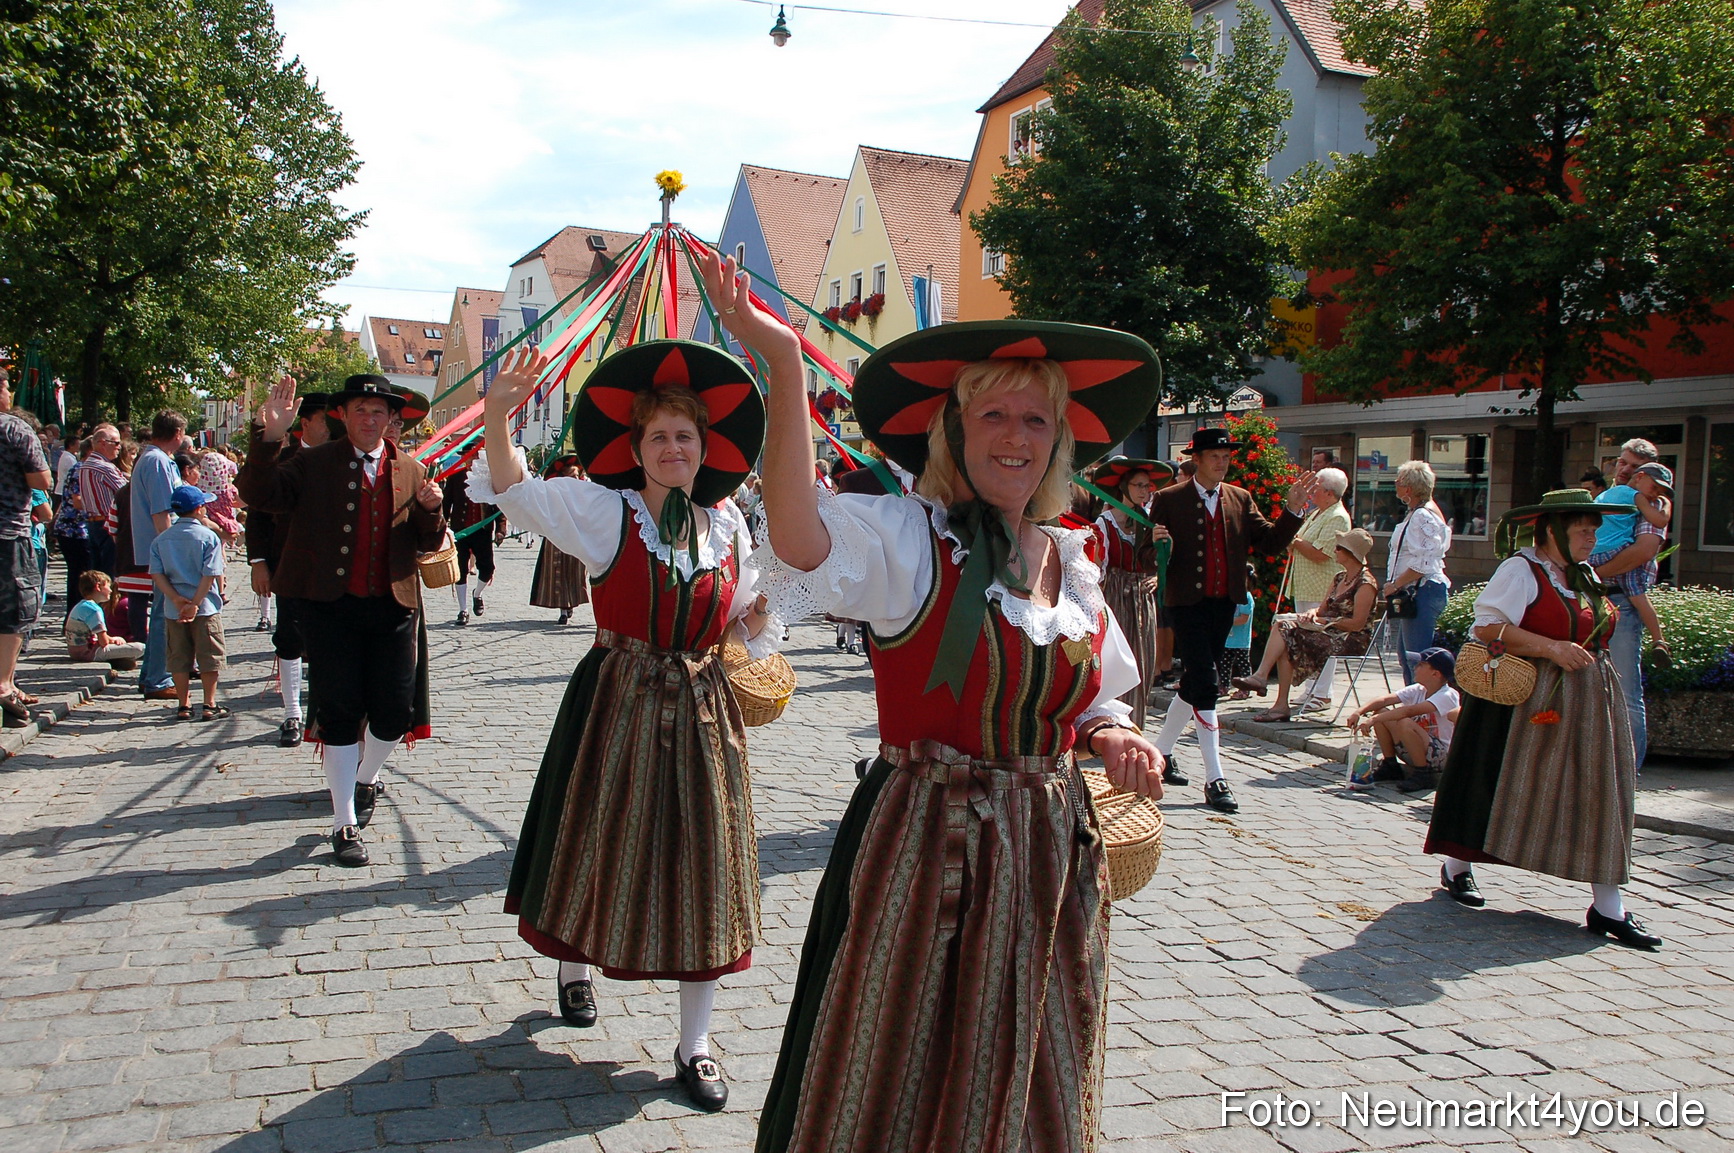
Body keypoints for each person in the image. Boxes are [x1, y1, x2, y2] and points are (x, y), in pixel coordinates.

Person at [699, 244, 1166, 1153]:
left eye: (1036, 418)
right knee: (893, 1060)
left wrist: (1113, 736)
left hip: (1048, 859)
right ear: (953, 431)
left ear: (1059, 440)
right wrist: (784, 360)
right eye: (993, 413)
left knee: (1035, 1057)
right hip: (925, 845)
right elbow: (796, 535)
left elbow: (1092, 697)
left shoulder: (1070, 561)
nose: (1015, 435)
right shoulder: (911, 538)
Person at [469, 338, 776, 1113]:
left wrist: (755, 619)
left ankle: (695, 1043)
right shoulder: (609, 511)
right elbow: (513, 489)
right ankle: (574, 968)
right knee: (595, 840)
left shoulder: (728, 524)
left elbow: (739, 620)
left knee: (708, 866)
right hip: (618, 699)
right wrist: (500, 413)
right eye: (659, 436)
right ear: (636, 448)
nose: (674, 449)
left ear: (705, 447)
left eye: (685, 435)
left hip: (704, 710)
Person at [1424, 488, 1659, 950]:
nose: (1591, 539)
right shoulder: (1521, 570)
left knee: (1599, 791)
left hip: (1590, 700)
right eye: (1582, 531)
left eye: (1593, 531)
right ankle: (1457, 864)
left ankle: (1608, 905)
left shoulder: (1584, 574)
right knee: (1495, 782)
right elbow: (1486, 629)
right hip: (1525, 699)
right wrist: (1550, 647)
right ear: (1551, 532)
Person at [238, 374, 446, 867]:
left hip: (393, 607)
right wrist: (270, 437)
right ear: (343, 416)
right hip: (329, 608)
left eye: (378, 412)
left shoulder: (412, 469)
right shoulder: (311, 462)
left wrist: (432, 512)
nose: (370, 420)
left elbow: (428, 542)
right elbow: (259, 493)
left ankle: (366, 777)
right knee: (339, 712)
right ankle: (343, 821)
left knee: (394, 713)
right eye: (360, 411)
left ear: (391, 419)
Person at [1146, 427, 1318, 813]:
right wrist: (1158, 545)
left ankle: (1162, 753)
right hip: (1185, 604)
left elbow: (1269, 543)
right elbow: (1146, 553)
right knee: (1207, 683)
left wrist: (1292, 511)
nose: (1222, 463)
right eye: (1215, 457)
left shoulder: (1240, 498)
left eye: (1226, 457)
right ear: (1196, 460)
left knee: (1195, 681)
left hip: (1223, 603)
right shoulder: (1170, 499)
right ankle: (1215, 778)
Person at [245, 394, 333, 745]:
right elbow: (257, 514)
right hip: (290, 565)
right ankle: (292, 714)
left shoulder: (344, 461)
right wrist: (258, 562)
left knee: (330, 640)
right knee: (290, 637)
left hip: (333, 569)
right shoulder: (282, 460)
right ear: (305, 423)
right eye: (325, 420)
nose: (331, 427)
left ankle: (326, 711)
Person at [1233, 528, 1379, 723]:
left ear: (1350, 553)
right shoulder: (1339, 577)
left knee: (1288, 637)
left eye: (1338, 547)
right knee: (1283, 628)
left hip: (1351, 638)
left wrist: (1326, 622)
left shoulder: (1365, 584)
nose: (1334, 551)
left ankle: (1272, 692)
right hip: (1328, 630)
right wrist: (1312, 614)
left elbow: (1357, 624)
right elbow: (1322, 609)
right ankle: (1268, 687)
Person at [1588, 437, 1664, 767]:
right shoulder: (1608, 496)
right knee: (1591, 689)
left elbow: (1643, 551)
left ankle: (1627, 773)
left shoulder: (1649, 502)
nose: (1625, 470)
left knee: (1626, 693)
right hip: (1592, 599)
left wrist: (1592, 574)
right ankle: (1598, 769)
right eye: (1622, 462)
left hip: (1620, 601)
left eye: (1635, 467)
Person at [1091, 456, 1175, 733]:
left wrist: (1158, 570)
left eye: (1147, 486)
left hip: (1142, 598)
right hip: (1114, 596)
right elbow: (1097, 568)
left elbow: (1158, 560)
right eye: (1138, 485)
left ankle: (1135, 726)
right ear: (1123, 487)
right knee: (1115, 662)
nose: (1144, 491)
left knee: (1143, 662)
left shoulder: (1149, 521)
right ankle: (1109, 727)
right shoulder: (1104, 523)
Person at [148, 485, 229, 722]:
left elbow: (157, 573)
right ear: (199, 508)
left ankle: (183, 704)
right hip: (205, 607)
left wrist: (175, 598)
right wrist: (195, 602)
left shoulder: (161, 540)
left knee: (178, 657)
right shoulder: (208, 537)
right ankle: (209, 703)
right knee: (210, 656)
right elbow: (210, 573)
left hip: (173, 608)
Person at [0, 367, 52, 726]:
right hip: (8, 532)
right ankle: (4, 684)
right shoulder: (14, 428)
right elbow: (41, 480)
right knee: (14, 610)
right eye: (6, 387)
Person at [130, 411, 189, 700]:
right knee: (166, 616)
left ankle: (150, 676)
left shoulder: (151, 458)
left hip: (156, 547)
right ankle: (157, 678)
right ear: (177, 434)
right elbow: (161, 512)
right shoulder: (157, 462)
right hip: (162, 548)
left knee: (160, 614)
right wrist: (171, 552)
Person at [1345, 647, 1460, 792]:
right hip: (1414, 747)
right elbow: (1385, 700)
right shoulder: (1418, 689)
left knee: (1404, 722)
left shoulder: (1447, 695)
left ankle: (1423, 774)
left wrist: (1373, 720)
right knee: (1382, 712)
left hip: (1440, 756)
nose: (1415, 668)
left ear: (1435, 674)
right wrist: (1358, 712)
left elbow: (1408, 711)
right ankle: (1390, 765)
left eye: (1421, 665)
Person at [1284, 466, 1352, 709]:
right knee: (1307, 638)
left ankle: (1323, 693)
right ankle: (1311, 689)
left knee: (1322, 639)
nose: (1311, 492)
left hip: (1322, 587)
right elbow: (1297, 543)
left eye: (1316, 488)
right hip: (1305, 584)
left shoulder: (1337, 516)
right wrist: (1295, 541)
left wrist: (1295, 540)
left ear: (1329, 493)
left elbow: (1320, 553)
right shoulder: (1317, 513)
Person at [1383, 460, 1453, 683]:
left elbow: (1423, 563)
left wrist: (1395, 584)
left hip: (1422, 591)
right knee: (1408, 657)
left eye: (1398, 481)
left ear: (1409, 488)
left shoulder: (1422, 516)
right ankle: (1414, 700)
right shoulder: (1420, 512)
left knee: (1418, 661)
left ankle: (1421, 703)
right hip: (1419, 591)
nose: (1395, 485)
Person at [528, 455, 589, 626]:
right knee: (558, 571)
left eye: (576, 476)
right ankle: (563, 609)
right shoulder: (554, 494)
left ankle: (571, 602)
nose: (575, 480)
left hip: (577, 537)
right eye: (571, 477)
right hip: (557, 536)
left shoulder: (584, 493)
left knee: (576, 572)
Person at [1624, 462, 1674, 665]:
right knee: (1640, 599)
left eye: (1660, 492)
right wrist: (1666, 505)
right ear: (1639, 477)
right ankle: (1659, 640)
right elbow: (1661, 520)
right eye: (1654, 488)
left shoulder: (1614, 495)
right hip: (1621, 558)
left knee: (1638, 598)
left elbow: (1645, 550)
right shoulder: (1638, 498)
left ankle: (1659, 640)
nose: (1655, 495)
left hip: (1617, 560)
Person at [442, 465, 496, 626]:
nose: (472, 459)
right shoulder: (455, 476)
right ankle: (462, 610)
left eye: (475, 455)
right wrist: (441, 526)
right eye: (469, 455)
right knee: (460, 570)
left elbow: (498, 503)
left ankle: (477, 594)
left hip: (483, 530)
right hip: (460, 531)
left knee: (487, 568)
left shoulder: (488, 476)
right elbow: (446, 503)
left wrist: (501, 528)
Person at [64, 570, 145, 668]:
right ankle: (115, 658)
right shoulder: (94, 610)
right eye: (108, 587)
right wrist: (114, 640)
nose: (111, 591)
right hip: (90, 652)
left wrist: (114, 639)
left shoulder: (81, 605)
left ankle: (117, 659)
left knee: (122, 644)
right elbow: (104, 642)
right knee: (141, 648)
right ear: (98, 587)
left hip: (74, 652)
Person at [75, 425, 124, 577]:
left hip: (92, 524)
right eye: (116, 443)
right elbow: (127, 492)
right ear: (103, 443)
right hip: (107, 525)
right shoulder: (104, 467)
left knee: (98, 572)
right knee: (109, 572)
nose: (119, 447)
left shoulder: (85, 465)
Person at [1219, 574, 1255, 700]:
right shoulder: (1229, 597)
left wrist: (1225, 621)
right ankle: (1224, 686)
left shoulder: (1246, 597)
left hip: (1241, 641)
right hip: (1228, 639)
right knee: (1224, 664)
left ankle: (1246, 689)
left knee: (1243, 664)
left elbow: (1244, 619)